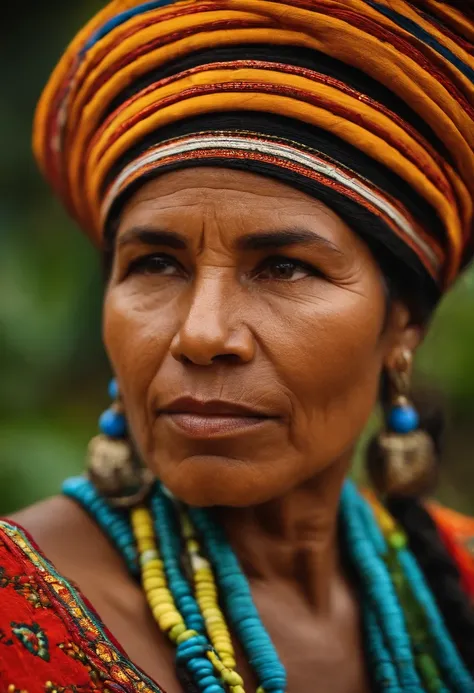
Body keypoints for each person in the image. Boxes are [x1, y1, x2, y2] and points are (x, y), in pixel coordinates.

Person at [1, 0, 474, 691]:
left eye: (284, 266)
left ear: (403, 324)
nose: (200, 333)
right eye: (156, 264)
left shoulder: (454, 578)